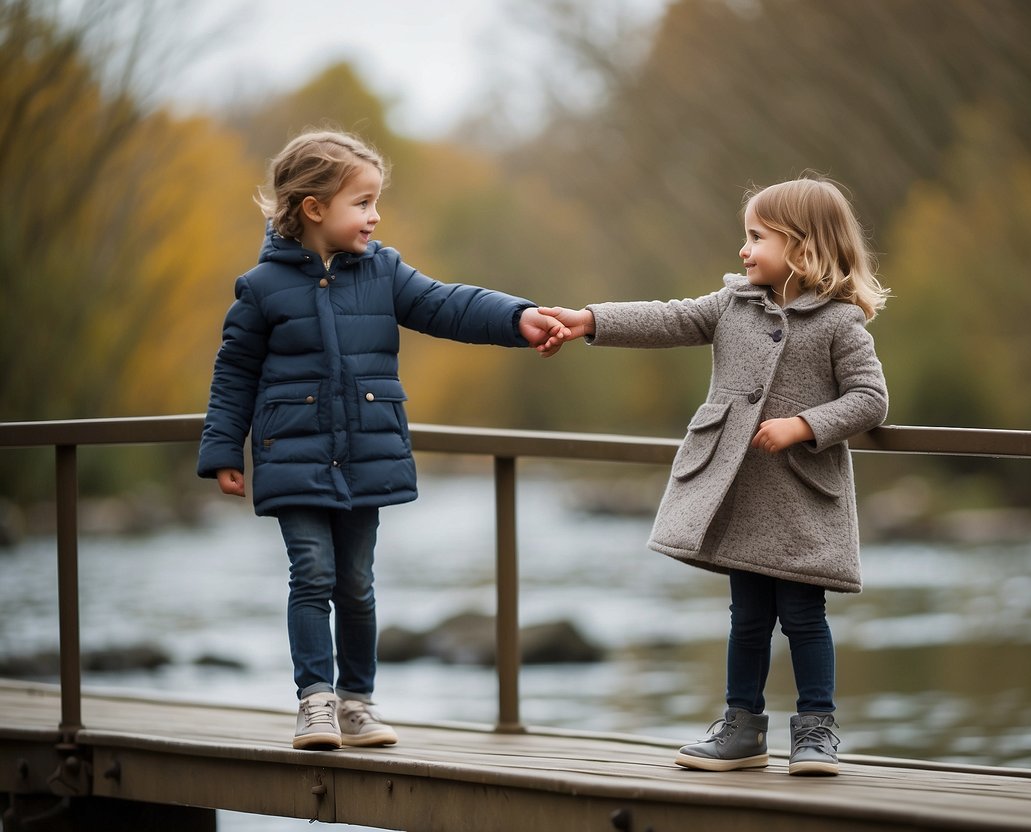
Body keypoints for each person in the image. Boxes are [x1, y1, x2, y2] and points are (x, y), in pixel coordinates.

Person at [197, 129, 568, 751]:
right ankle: (314, 703)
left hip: (365, 455)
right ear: (314, 208)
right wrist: (221, 449)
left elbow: (448, 305)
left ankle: (357, 705)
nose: (376, 215)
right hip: (293, 455)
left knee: (357, 583)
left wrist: (515, 318)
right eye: (362, 202)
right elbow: (233, 372)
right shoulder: (261, 288)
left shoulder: (384, 273)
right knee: (311, 574)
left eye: (376, 201)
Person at [541, 175, 889, 775]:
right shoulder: (733, 305)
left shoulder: (838, 323)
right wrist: (590, 321)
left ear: (803, 248)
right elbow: (668, 319)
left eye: (756, 237)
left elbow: (870, 398)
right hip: (739, 491)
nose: (743, 249)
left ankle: (816, 731)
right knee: (747, 617)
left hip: (803, 498)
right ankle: (742, 727)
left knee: (805, 617)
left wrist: (803, 424)